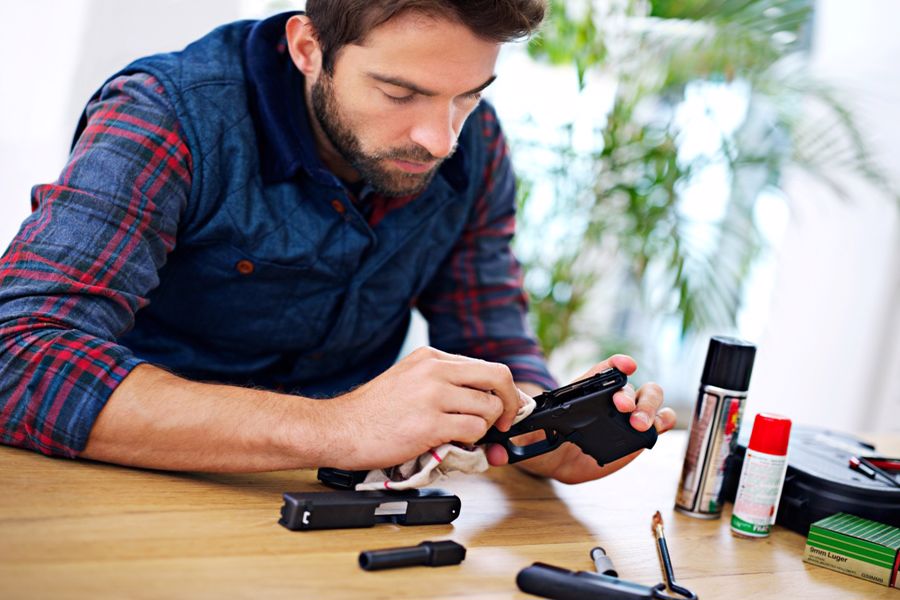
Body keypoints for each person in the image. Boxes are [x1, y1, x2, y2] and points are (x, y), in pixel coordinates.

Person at [0, 0, 675, 482]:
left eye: (467, 96)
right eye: (399, 92)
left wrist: (542, 424)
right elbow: (20, 356)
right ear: (307, 49)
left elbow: (490, 340)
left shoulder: (476, 146)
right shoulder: (168, 115)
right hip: (122, 488)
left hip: (334, 510)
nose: (439, 139)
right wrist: (338, 427)